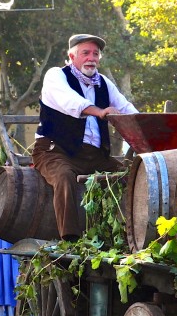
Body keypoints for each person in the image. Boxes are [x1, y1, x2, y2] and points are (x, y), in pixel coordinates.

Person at [33, 33, 138, 240]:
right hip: (56, 151)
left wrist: (147, 126)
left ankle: (131, 233)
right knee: (64, 177)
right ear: (72, 57)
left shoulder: (104, 83)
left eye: (95, 54)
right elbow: (69, 101)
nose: (91, 58)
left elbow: (126, 108)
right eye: (86, 53)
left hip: (94, 156)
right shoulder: (56, 75)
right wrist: (99, 111)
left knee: (131, 176)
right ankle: (69, 239)